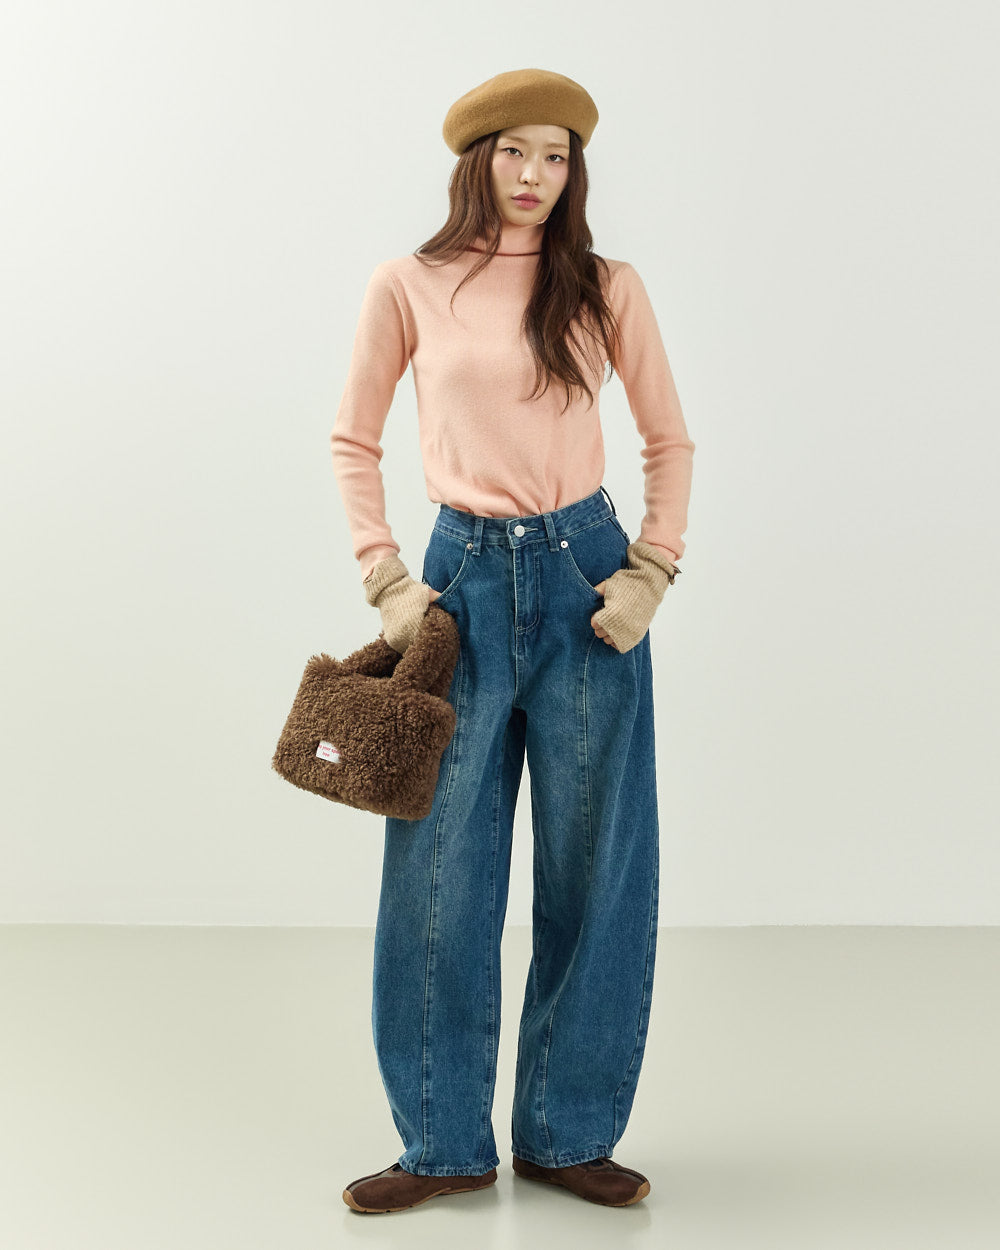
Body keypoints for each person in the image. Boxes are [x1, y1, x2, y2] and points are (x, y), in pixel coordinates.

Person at [330, 67, 695, 1214]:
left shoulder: (605, 286)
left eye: (556, 155)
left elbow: (669, 441)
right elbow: (350, 439)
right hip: (460, 585)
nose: (535, 174)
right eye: (513, 151)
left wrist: (649, 572)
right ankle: (441, 1141)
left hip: (588, 582)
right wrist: (388, 579)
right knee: (439, 869)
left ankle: (566, 1130)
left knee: (595, 868)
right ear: (475, 160)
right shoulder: (410, 282)